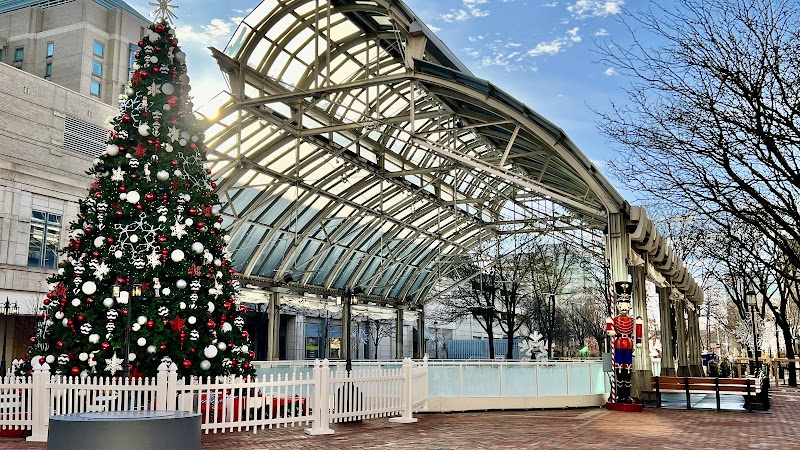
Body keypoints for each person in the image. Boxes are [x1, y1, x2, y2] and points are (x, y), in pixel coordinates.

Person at [606, 281, 643, 403]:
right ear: (617, 305)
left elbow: (638, 330)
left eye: (626, 304)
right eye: (621, 304)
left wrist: (638, 341)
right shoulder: (614, 319)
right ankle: (620, 395)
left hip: (628, 345)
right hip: (618, 345)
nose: (623, 307)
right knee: (619, 370)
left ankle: (626, 395)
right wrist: (610, 330)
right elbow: (609, 329)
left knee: (627, 370)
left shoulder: (633, 320)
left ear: (629, 306)